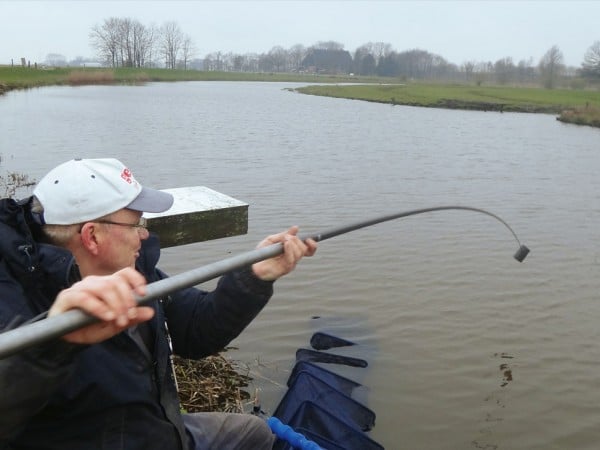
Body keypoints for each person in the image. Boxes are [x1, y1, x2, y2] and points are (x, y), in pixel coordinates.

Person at [0, 158, 317, 449]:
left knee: (255, 433)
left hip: (157, 429)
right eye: (135, 223)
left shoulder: (133, 270)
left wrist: (254, 277)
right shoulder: (14, 300)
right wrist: (54, 345)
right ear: (92, 236)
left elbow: (196, 331)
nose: (145, 235)